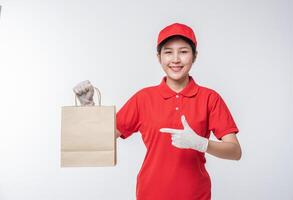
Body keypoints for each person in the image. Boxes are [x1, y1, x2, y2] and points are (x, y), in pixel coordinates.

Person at [73, 23, 241, 200]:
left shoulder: (210, 98)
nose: (175, 59)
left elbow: (235, 152)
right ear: (158, 57)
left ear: (194, 56)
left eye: (183, 52)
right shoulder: (143, 98)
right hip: (150, 194)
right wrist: (88, 110)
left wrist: (202, 143)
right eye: (168, 52)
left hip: (196, 195)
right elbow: (102, 140)